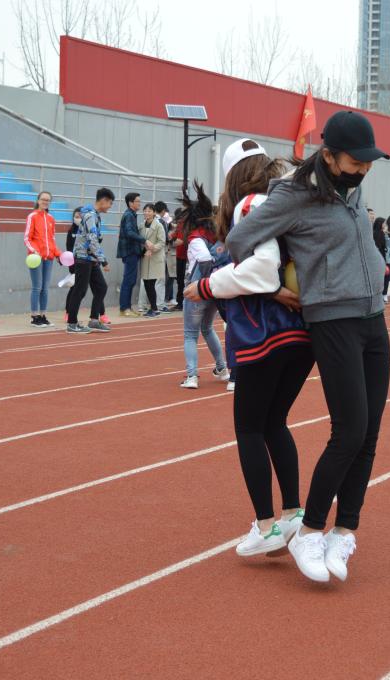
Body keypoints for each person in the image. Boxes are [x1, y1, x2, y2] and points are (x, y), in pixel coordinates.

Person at [225, 110, 390, 584]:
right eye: (356, 162)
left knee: (369, 435)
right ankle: (310, 530)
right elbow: (239, 241)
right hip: (332, 322)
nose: (364, 169)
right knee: (349, 431)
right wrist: (274, 287)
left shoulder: (352, 188)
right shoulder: (293, 194)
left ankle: (343, 531)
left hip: (374, 320)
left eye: (369, 162)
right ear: (330, 156)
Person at [185, 138, 313, 555]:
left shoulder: (250, 205)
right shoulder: (286, 202)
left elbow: (261, 270)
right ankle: (292, 514)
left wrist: (207, 286)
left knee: (249, 428)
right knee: (274, 423)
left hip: (263, 333)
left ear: (231, 177)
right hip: (300, 333)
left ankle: (266, 526)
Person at [174, 184, 229, 388]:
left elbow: (205, 259)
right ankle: (222, 368)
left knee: (190, 334)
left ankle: (192, 376)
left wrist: (201, 283)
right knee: (207, 328)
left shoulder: (196, 237)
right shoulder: (217, 235)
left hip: (198, 289)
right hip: (214, 289)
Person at [66, 188, 114, 333]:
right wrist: (103, 261)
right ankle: (72, 323)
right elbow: (92, 240)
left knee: (101, 287)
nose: (110, 207)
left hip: (91, 258)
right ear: (103, 201)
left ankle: (94, 320)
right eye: (110, 203)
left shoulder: (94, 215)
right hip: (83, 258)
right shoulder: (90, 216)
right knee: (79, 290)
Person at [23, 191, 63, 327]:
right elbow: (27, 238)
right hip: (36, 258)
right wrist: (35, 251)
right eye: (43, 199)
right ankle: (34, 317)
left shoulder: (51, 218)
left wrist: (58, 254)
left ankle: (43, 315)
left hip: (48, 257)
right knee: (37, 287)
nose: (45, 202)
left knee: (45, 288)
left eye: (48, 200)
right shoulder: (32, 216)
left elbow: (52, 239)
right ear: (38, 200)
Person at [116, 192, 145, 317]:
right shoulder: (129, 215)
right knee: (128, 280)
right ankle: (124, 308)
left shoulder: (131, 215)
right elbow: (129, 232)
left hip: (132, 251)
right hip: (130, 251)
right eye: (137, 201)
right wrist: (144, 240)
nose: (139, 203)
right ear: (130, 203)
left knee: (131, 280)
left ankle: (127, 307)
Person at [139, 202, 167, 317]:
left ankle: (154, 309)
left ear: (154, 213)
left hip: (155, 258)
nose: (147, 213)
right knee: (146, 283)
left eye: (149, 211)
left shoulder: (158, 225)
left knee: (150, 283)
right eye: (145, 211)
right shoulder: (141, 225)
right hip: (145, 258)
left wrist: (152, 249)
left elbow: (162, 242)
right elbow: (140, 240)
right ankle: (153, 308)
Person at [372, 216, 388, 303]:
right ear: (380, 224)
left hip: (381, 257)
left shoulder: (381, 233)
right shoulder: (376, 233)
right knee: (379, 278)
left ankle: (381, 295)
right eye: (384, 223)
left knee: (382, 277)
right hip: (378, 258)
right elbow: (378, 247)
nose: (385, 224)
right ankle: (378, 296)